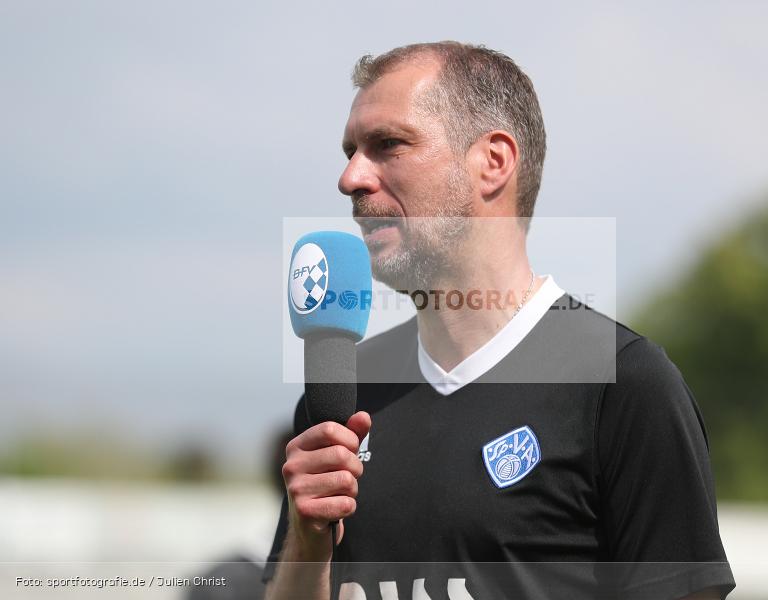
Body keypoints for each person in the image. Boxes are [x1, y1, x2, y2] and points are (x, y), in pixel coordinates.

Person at [264, 42, 735, 600]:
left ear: (493, 162)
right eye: (350, 151)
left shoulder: (624, 384)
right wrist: (307, 540)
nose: (350, 178)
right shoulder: (342, 394)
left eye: (387, 145)